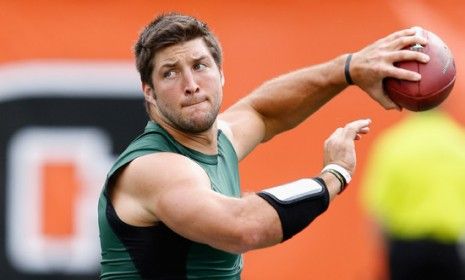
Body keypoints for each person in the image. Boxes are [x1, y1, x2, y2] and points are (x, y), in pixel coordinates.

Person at [97, 13, 429, 279]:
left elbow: (264, 110)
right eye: (170, 73)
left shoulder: (217, 141)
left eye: (199, 66)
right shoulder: (155, 166)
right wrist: (333, 176)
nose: (192, 85)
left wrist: (349, 69)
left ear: (221, 74)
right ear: (149, 93)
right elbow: (243, 227)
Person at [361, 109, 465, 280]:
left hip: (405, 252)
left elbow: (377, 211)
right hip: (449, 250)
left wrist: (385, 258)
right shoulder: (459, 143)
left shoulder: (393, 144)